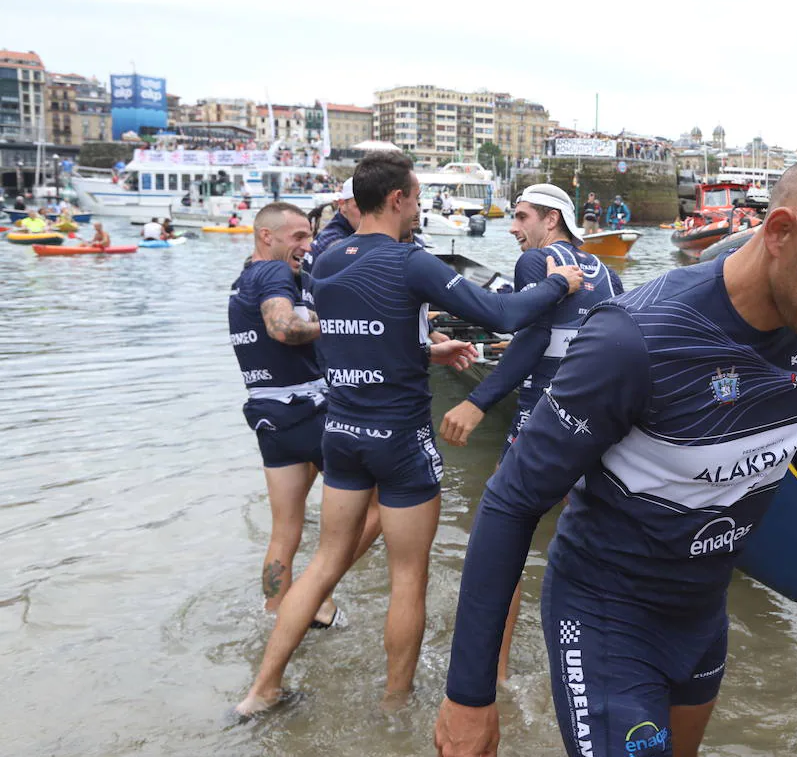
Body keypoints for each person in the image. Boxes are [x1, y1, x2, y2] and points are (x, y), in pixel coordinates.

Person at [434, 146, 797, 757]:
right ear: (781, 233)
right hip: (607, 618)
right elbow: (511, 500)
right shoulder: (635, 339)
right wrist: (469, 695)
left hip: (701, 616)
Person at [234, 154, 586, 717]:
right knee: (408, 578)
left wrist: (429, 348)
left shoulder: (323, 263)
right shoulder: (410, 262)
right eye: (418, 198)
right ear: (396, 199)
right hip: (397, 440)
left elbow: (357, 336)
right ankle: (394, 706)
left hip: (341, 432)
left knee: (325, 561)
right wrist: (558, 283)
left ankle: (262, 690)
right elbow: (500, 313)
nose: (421, 209)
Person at [439, 183, 624, 682]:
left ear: (552, 219)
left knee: (498, 539)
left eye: (521, 217)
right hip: (596, 420)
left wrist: (478, 402)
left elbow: (533, 339)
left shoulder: (536, 264)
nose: (514, 228)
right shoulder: (607, 272)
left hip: (541, 417)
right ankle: (605, 667)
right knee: (593, 543)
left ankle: (492, 676)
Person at [227, 202, 382, 628]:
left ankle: (274, 614)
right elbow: (283, 328)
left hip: (268, 417)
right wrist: (332, 323)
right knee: (387, 500)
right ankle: (320, 595)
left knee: (284, 530)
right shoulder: (274, 273)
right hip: (308, 411)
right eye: (297, 236)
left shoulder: (243, 280)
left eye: (309, 235)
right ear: (266, 237)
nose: (307, 245)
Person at [300, 176, 360, 276]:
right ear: (342, 204)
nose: (368, 213)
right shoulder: (335, 243)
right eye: (360, 206)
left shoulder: (330, 236)